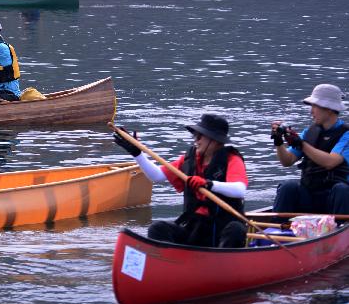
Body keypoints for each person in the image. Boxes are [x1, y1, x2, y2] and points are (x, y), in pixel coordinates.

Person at [113, 113, 248, 248]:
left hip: (221, 231)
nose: (196, 140)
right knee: (158, 228)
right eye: (195, 135)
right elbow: (157, 176)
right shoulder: (190, 159)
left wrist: (209, 184)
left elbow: (239, 190)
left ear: (215, 140)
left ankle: (221, 263)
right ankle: (169, 262)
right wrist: (137, 154)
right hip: (196, 228)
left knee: (236, 229)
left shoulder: (231, 159)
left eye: (200, 136)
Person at [271, 84, 349, 216]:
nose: (311, 111)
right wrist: (279, 142)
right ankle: (276, 230)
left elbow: (331, 162)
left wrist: (301, 144)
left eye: (314, 106)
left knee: (342, 189)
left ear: (329, 108)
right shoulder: (308, 133)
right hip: (310, 196)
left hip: (334, 199)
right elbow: (287, 161)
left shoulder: (346, 134)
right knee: (287, 187)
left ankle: (339, 228)